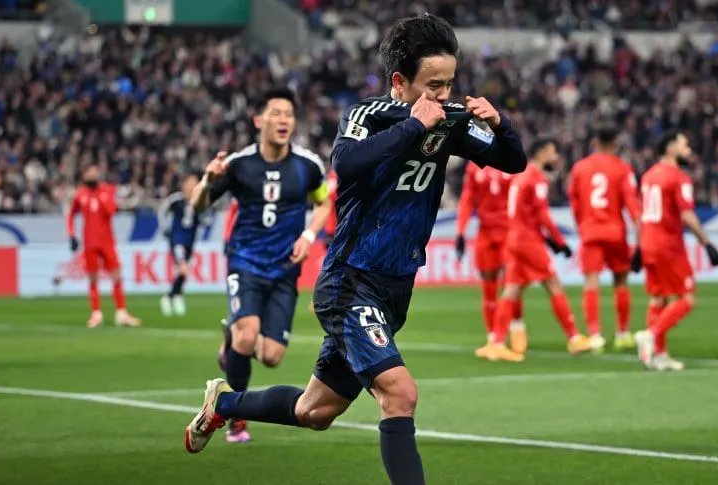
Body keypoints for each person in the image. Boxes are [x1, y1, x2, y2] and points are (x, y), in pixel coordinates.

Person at [183, 14, 527, 485]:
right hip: (350, 281)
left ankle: (222, 403)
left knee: (314, 411)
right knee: (400, 394)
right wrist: (414, 125)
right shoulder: (368, 116)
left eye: (449, 83)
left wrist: (500, 123)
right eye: (433, 85)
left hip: (394, 288)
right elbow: (345, 163)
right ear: (399, 82)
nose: (444, 95)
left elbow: (513, 161)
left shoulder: (449, 121)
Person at [189, 87, 333, 443]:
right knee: (247, 334)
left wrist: (308, 236)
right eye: (276, 113)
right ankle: (235, 418)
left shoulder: (307, 165)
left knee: (271, 356)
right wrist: (207, 181)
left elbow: (324, 203)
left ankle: (232, 342)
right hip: (246, 261)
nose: (284, 120)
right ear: (259, 120)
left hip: (285, 268)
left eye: (289, 114)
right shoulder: (239, 165)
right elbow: (198, 205)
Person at [486, 139, 590, 361]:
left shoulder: (520, 176)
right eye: (553, 152)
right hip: (529, 242)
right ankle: (574, 338)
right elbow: (542, 215)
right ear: (541, 154)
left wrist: (549, 241)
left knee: (512, 289)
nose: (556, 157)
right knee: (553, 284)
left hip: (514, 238)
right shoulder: (537, 179)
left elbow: (527, 213)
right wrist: (560, 241)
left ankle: (496, 343)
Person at [633, 131, 718, 371]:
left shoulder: (649, 176)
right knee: (687, 298)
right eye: (685, 145)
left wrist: (638, 247)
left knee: (658, 298)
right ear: (671, 148)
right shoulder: (679, 178)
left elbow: (640, 214)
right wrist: (707, 244)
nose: (689, 150)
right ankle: (650, 335)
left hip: (649, 242)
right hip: (668, 245)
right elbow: (687, 215)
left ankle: (659, 356)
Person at [567, 123, 640, 352]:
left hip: (590, 231)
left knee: (591, 282)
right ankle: (622, 334)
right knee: (621, 281)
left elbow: (575, 202)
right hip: (615, 232)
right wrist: (640, 234)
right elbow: (632, 205)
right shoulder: (623, 168)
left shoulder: (580, 168)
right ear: (616, 143)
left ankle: (595, 335)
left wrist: (582, 226)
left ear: (595, 142)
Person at [454, 162, 526, 354]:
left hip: (509, 232)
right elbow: (468, 198)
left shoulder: (511, 160)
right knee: (488, 285)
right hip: (486, 233)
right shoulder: (474, 167)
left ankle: (517, 327)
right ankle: (493, 337)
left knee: (511, 284)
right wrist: (460, 231)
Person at [66, 164, 141, 328]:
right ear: (84, 175)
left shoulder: (107, 190)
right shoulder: (80, 194)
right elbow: (71, 215)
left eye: (95, 172)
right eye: (89, 172)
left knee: (116, 275)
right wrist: (71, 235)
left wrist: (103, 198)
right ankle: (96, 314)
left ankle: (121, 313)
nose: (92, 175)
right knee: (93, 278)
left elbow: (112, 211)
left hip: (107, 241)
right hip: (89, 242)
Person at [158, 172, 209, 317]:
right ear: (184, 184)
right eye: (190, 182)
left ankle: (175, 295)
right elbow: (162, 211)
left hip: (190, 241)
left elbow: (205, 219)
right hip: (177, 240)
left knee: (184, 271)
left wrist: (204, 218)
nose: (192, 186)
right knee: (183, 269)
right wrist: (165, 229)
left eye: (195, 183)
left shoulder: (199, 200)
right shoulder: (176, 199)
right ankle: (170, 297)